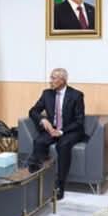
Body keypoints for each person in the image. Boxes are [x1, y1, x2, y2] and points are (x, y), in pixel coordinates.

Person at [27, 68, 85, 200]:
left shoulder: (76, 95)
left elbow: (79, 121)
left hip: (70, 130)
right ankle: (39, 178)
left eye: (53, 78)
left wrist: (61, 131)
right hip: (52, 129)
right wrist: (43, 120)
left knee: (63, 145)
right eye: (51, 78)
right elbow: (33, 111)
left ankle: (60, 185)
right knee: (39, 142)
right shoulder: (47, 94)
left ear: (62, 80)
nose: (50, 81)